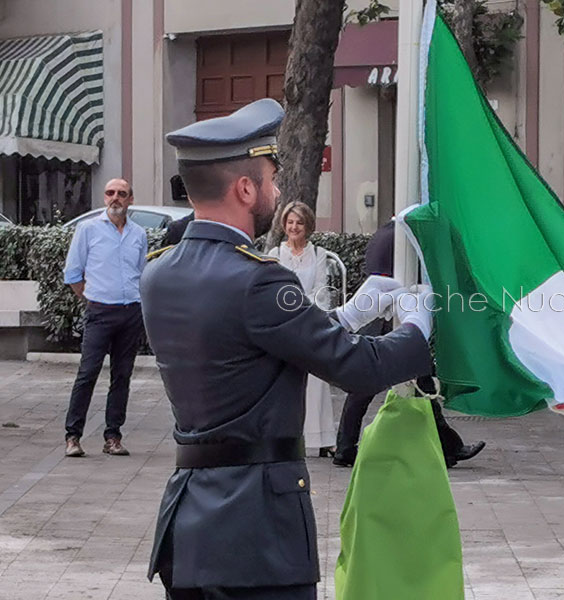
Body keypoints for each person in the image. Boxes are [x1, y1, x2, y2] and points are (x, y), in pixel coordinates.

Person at [140, 98, 433, 599]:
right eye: (271, 178)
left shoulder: (159, 273)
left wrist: (346, 316)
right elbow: (357, 369)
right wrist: (417, 330)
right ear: (245, 187)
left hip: (191, 524)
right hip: (255, 531)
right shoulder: (258, 281)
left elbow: (258, 340)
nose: (277, 191)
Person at [334, 218, 486, 468]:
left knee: (381, 384)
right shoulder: (404, 239)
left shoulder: (383, 235)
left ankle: (346, 447)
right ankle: (449, 447)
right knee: (418, 379)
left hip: (382, 313)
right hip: (393, 316)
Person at [62, 178, 147, 458]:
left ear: (130, 199)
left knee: (122, 376)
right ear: (104, 197)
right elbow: (73, 273)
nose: (116, 199)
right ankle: (73, 436)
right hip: (100, 311)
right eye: (111, 193)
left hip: (131, 312)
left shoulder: (138, 234)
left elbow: (141, 271)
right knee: (87, 374)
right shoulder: (88, 229)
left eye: (122, 194)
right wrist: (91, 299)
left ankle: (113, 436)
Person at [267, 200, 336, 458]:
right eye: (290, 222)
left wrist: (307, 314)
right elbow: (272, 290)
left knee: (317, 380)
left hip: (309, 321)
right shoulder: (275, 255)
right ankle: (284, 436)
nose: (294, 227)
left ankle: (323, 438)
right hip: (282, 323)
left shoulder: (317, 255)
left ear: (308, 226)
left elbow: (321, 291)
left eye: (299, 222)